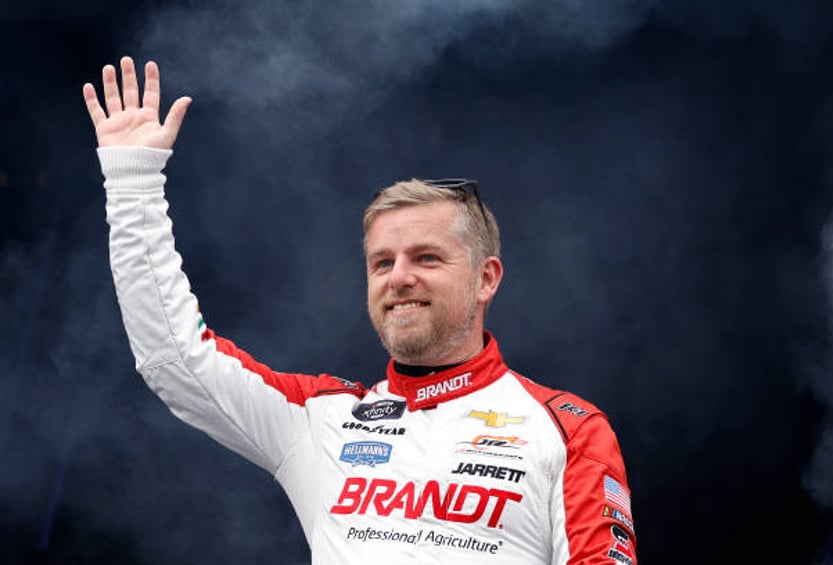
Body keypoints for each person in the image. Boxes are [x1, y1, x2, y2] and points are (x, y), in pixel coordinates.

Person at [83, 56, 637, 565]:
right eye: (381, 262)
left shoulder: (568, 429)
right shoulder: (320, 417)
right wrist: (134, 183)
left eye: (426, 257)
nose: (399, 277)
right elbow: (173, 356)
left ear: (485, 279)